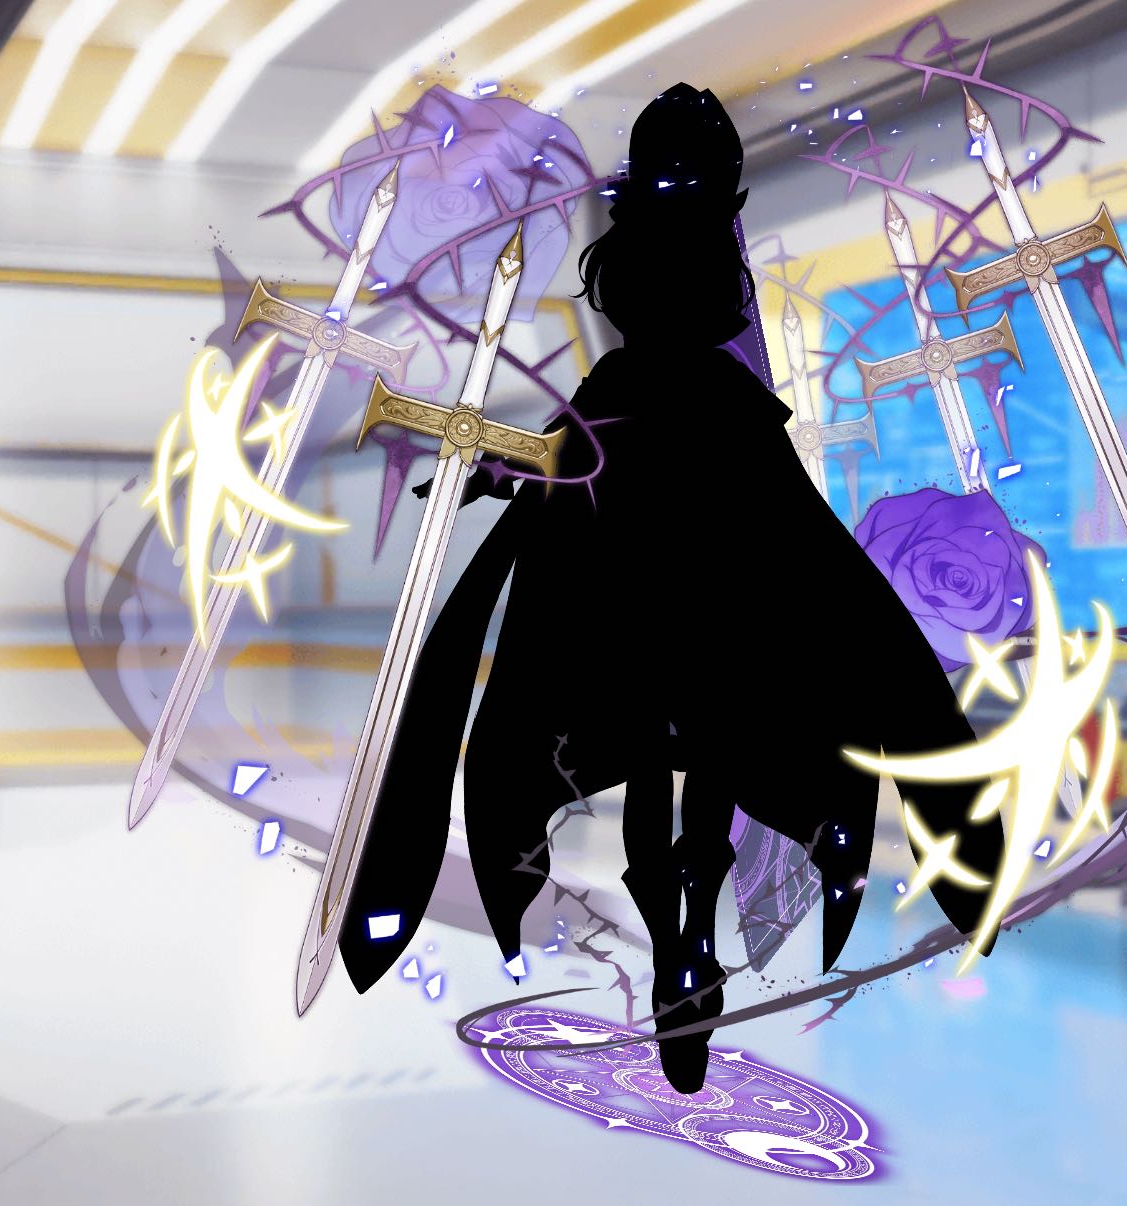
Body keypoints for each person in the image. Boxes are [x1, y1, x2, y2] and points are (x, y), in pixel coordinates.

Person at [337, 83, 1003, 1092]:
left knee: (685, 697)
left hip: (654, 469)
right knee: (730, 687)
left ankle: (681, 941)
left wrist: (510, 470)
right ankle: (687, 937)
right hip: (692, 464)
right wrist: (511, 468)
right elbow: (604, 415)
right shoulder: (699, 277)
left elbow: (589, 417)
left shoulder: (640, 274)